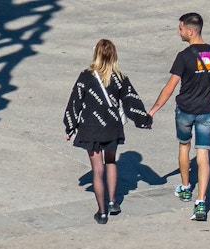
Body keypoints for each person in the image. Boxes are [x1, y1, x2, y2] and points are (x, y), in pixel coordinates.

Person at [147, 12, 210, 222]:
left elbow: (169, 88)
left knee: (184, 146)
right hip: (206, 111)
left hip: (185, 110)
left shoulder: (183, 56)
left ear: (190, 31)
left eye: (181, 28)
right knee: (203, 154)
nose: (178, 31)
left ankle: (185, 188)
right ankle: (201, 202)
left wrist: (153, 110)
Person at [64, 39, 153, 224]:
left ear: (96, 54)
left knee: (97, 170)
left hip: (91, 128)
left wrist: (70, 126)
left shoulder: (86, 76)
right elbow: (131, 101)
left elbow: (75, 102)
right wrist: (144, 120)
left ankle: (102, 212)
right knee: (110, 161)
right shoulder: (120, 77)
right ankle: (113, 202)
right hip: (112, 126)